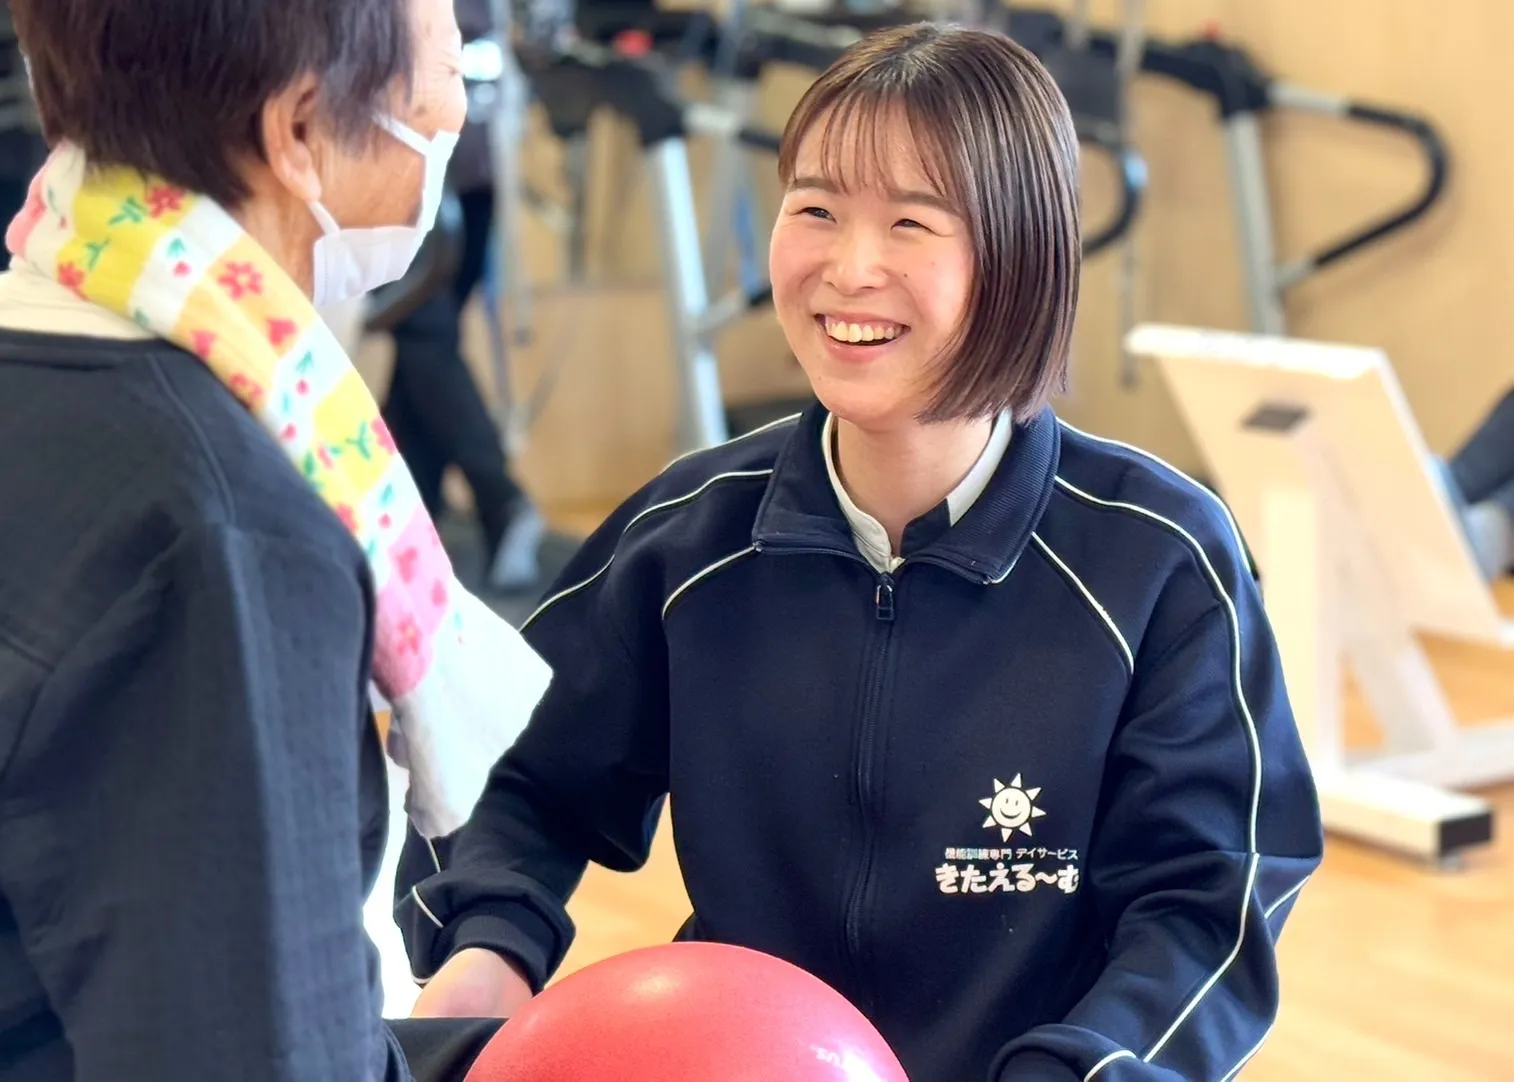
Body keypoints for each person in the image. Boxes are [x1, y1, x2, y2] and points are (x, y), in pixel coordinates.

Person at [399, 22, 1324, 1082]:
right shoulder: (686, 538)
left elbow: (1206, 904)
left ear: (1018, 253)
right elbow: (516, 774)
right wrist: (489, 944)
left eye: (911, 223)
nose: (849, 267)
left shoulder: (1158, 558)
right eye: (816, 210)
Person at [0, 0, 552, 1079]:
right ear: (298, 132)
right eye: (448, 74)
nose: (449, 115)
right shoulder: (227, 535)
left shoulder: (38, 352)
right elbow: (252, 1050)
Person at [379, 0, 545, 594]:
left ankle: (501, 500)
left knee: (424, 336)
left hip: (429, 155)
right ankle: (409, 524)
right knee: (423, 344)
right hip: (469, 152)